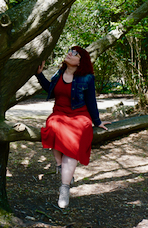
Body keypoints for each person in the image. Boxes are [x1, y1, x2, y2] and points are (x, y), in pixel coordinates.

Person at [35, 46, 110, 208]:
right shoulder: (59, 73)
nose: (70, 54)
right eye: (70, 51)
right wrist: (39, 75)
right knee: (53, 125)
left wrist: (97, 121)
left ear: (81, 61)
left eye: (75, 53)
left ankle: (64, 188)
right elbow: (50, 89)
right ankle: (60, 166)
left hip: (79, 115)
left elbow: (91, 101)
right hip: (59, 113)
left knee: (75, 137)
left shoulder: (87, 78)